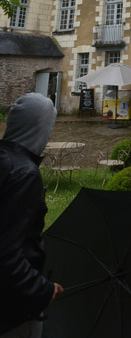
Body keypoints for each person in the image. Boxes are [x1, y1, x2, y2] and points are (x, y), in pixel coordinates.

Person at [0, 93, 64, 337]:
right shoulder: (25, 174)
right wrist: (42, 290)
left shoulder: (5, 160)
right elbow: (5, 253)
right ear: (42, 128)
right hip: (14, 308)